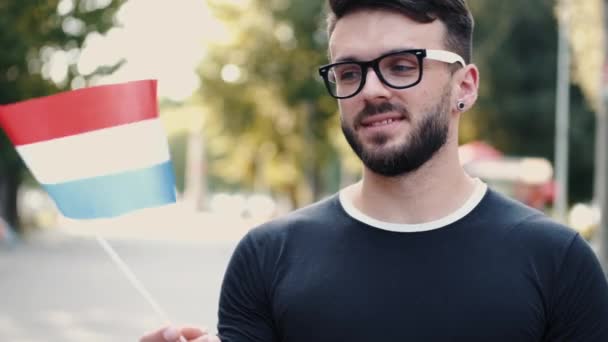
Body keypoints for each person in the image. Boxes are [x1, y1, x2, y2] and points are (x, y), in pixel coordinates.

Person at [141, 0, 608, 341]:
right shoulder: (268, 256)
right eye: (348, 72)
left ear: (464, 86)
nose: (370, 89)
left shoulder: (557, 262)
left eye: (401, 66)